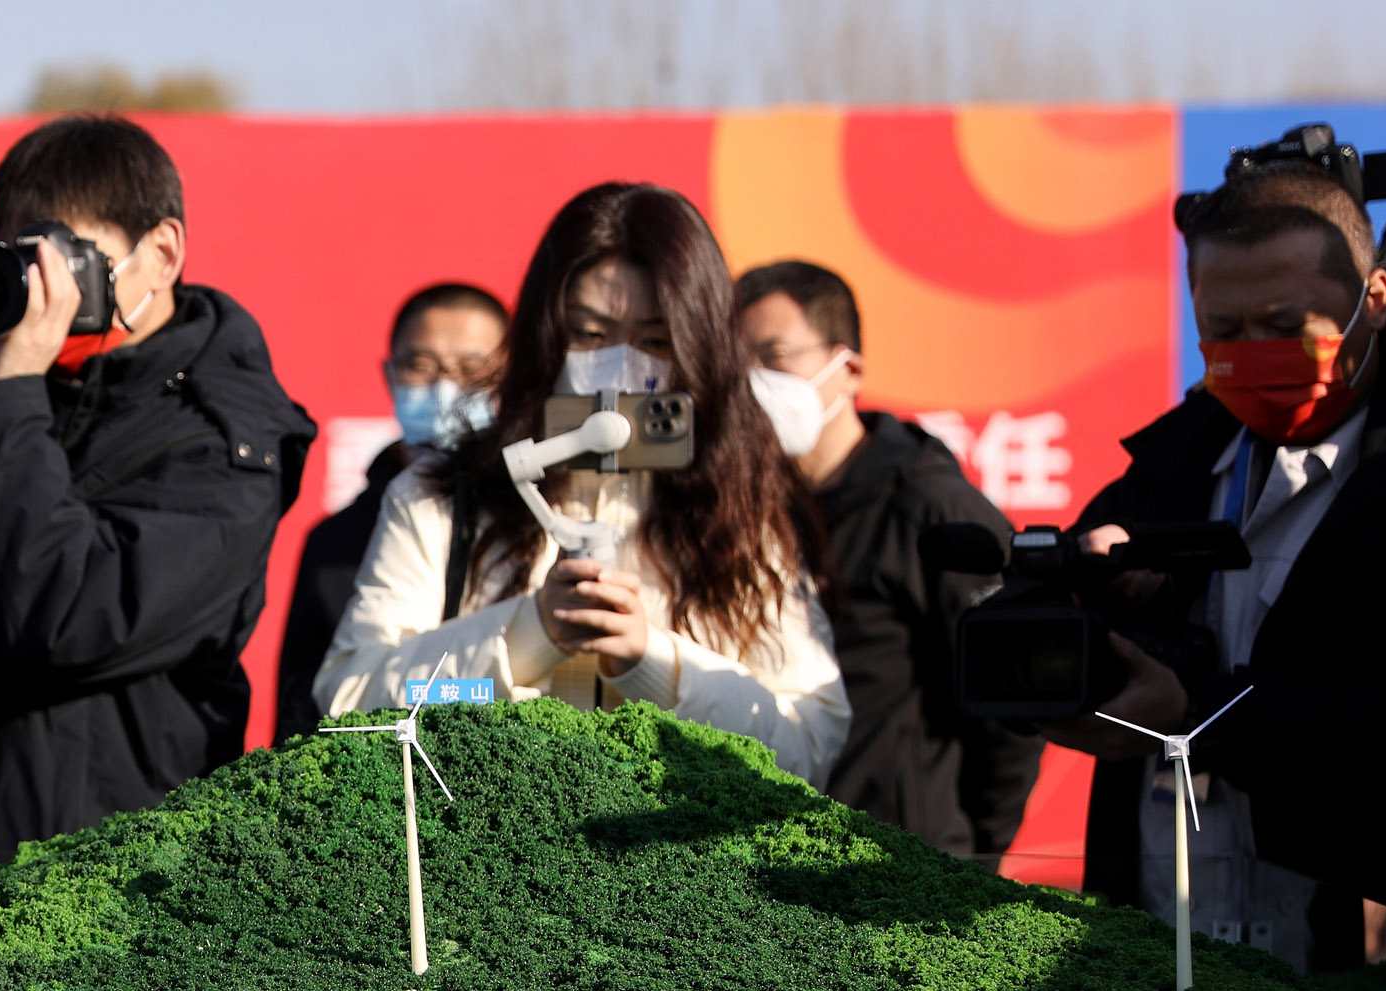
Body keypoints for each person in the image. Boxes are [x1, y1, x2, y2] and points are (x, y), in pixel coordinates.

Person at [0, 114, 317, 895]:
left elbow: (60, 619)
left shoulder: (227, 442)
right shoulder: (31, 388)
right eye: (21, 263)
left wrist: (1, 396)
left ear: (161, 253)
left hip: (109, 896)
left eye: (66, 262)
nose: (44, 296)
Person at [315, 184, 847, 786]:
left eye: (653, 339)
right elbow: (352, 700)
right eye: (590, 335)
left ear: (699, 345)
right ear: (545, 334)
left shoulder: (745, 506)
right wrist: (527, 635)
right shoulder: (442, 495)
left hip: (683, 876)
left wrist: (656, 666)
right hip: (482, 870)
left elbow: (806, 747)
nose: (619, 365)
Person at [1045, 144, 1386, 965]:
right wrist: (1088, 587)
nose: (1253, 353)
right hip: (1159, 950)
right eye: (1223, 331)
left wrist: (1196, 711)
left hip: (1358, 973)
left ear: (1372, 299)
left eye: (1285, 327)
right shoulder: (1174, 462)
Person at [735, 260, 1041, 863]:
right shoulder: (744, 517)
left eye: (773, 357)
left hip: (902, 872)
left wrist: (968, 859)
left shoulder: (934, 508)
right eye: (735, 365)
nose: (752, 385)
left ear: (847, 370)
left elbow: (1010, 708)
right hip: (764, 866)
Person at [274, 282, 508, 744]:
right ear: (390, 374)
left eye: (473, 369)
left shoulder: (538, 522)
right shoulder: (337, 541)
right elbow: (307, 709)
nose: (446, 387)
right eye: (421, 366)